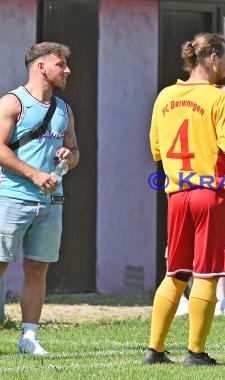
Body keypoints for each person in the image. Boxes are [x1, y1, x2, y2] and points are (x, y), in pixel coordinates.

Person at [144, 33, 225, 366]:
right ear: (212, 58)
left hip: (177, 193)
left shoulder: (165, 95)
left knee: (176, 272)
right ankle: (195, 352)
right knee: (207, 274)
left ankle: (155, 349)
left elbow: (156, 148)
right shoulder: (218, 99)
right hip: (213, 192)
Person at [0, 42, 79, 355]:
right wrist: (34, 174)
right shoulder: (12, 103)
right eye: (61, 65)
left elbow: (75, 152)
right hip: (11, 197)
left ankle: (29, 337)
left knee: (37, 270)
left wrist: (67, 157)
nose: (67, 70)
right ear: (41, 67)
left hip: (51, 203)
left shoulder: (64, 110)